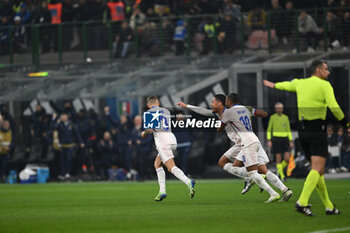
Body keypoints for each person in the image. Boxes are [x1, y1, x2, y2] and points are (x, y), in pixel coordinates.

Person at [263, 59, 348, 216]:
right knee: (317, 168)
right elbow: (334, 107)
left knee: (318, 171)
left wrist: (273, 85)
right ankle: (302, 202)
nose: (328, 72)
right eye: (326, 69)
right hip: (317, 129)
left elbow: (286, 85)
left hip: (303, 132)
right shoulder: (324, 85)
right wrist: (346, 124)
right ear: (317, 70)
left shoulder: (300, 83)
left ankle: (329, 207)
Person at [177, 94, 292, 202]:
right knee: (224, 162)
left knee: (252, 170)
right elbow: (205, 111)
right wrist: (187, 106)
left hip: (246, 143)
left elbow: (219, 128)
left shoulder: (227, 113)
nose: (211, 104)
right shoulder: (241, 109)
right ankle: (284, 190)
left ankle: (261, 185)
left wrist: (220, 124)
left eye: (213, 102)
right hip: (246, 142)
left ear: (222, 103)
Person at [141, 96, 195, 201]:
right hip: (172, 139)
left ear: (148, 105)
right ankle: (162, 191)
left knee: (171, 167)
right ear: (158, 103)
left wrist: (143, 133)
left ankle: (188, 181)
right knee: (157, 164)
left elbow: (149, 130)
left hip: (163, 142)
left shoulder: (149, 113)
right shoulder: (166, 111)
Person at [266, 102, 293, 181]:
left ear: (282, 109)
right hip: (276, 138)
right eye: (277, 108)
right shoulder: (272, 117)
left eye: (280, 108)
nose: (279, 109)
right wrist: (269, 140)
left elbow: (288, 130)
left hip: (285, 139)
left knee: (287, 159)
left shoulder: (285, 117)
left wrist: (290, 140)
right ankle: (282, 176)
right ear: (275, 109)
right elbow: (269, 130)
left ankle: (279, 170)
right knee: (278, 159)